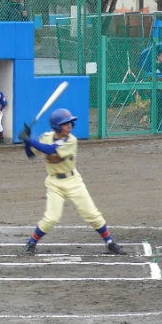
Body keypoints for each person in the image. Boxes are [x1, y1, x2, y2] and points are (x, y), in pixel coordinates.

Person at [18, 108, 127, 256]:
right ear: (57, 126)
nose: (70, 125)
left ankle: (110, 242)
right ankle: (31, 243)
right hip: (54, 182)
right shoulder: (46, 137)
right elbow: (31, 154)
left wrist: (29, 139)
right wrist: (26, 142)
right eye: (65, 123)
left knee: (91, 213)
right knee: (51, 218)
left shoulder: (71, 140)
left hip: (73, 181)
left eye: (70, 123)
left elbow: (50, 150)